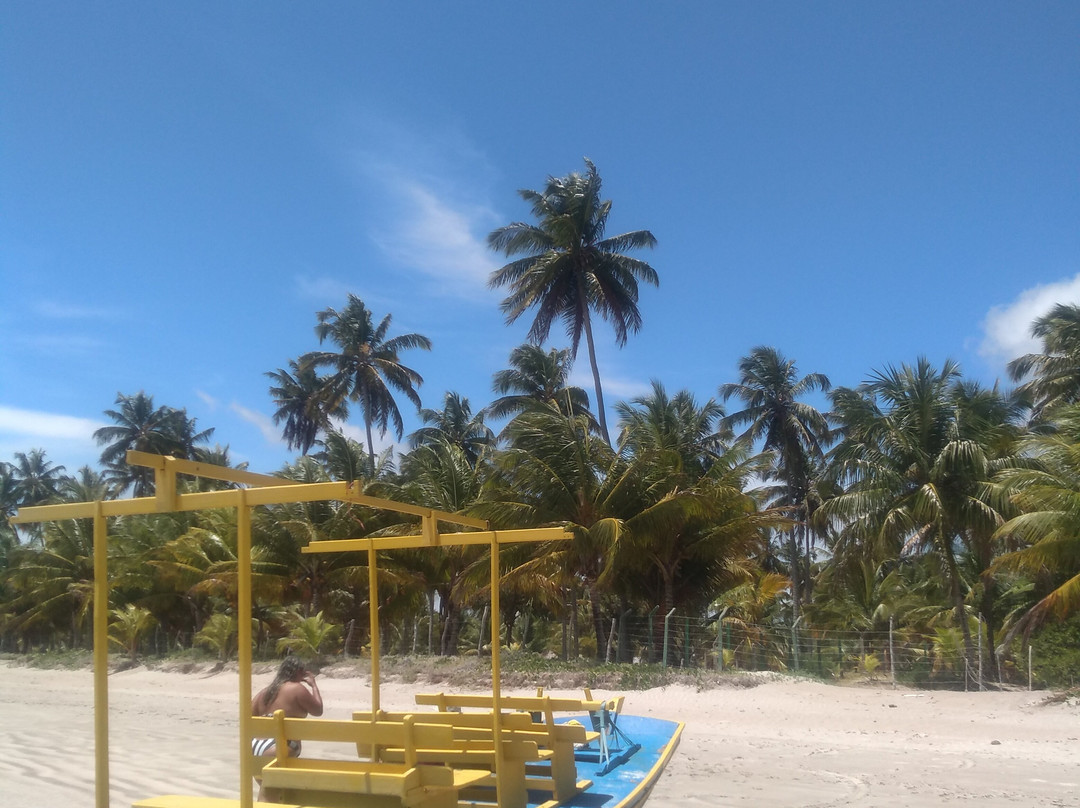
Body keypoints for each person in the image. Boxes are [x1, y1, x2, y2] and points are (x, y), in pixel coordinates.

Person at [251, 656, 323, 802]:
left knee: (267, 790)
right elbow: (318, 710)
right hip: (277, 748)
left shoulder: (265, 692)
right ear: (299, 672)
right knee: (274, 791)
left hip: (254, 747)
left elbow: (249, 717)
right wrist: (313, 685)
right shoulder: (297, 689)